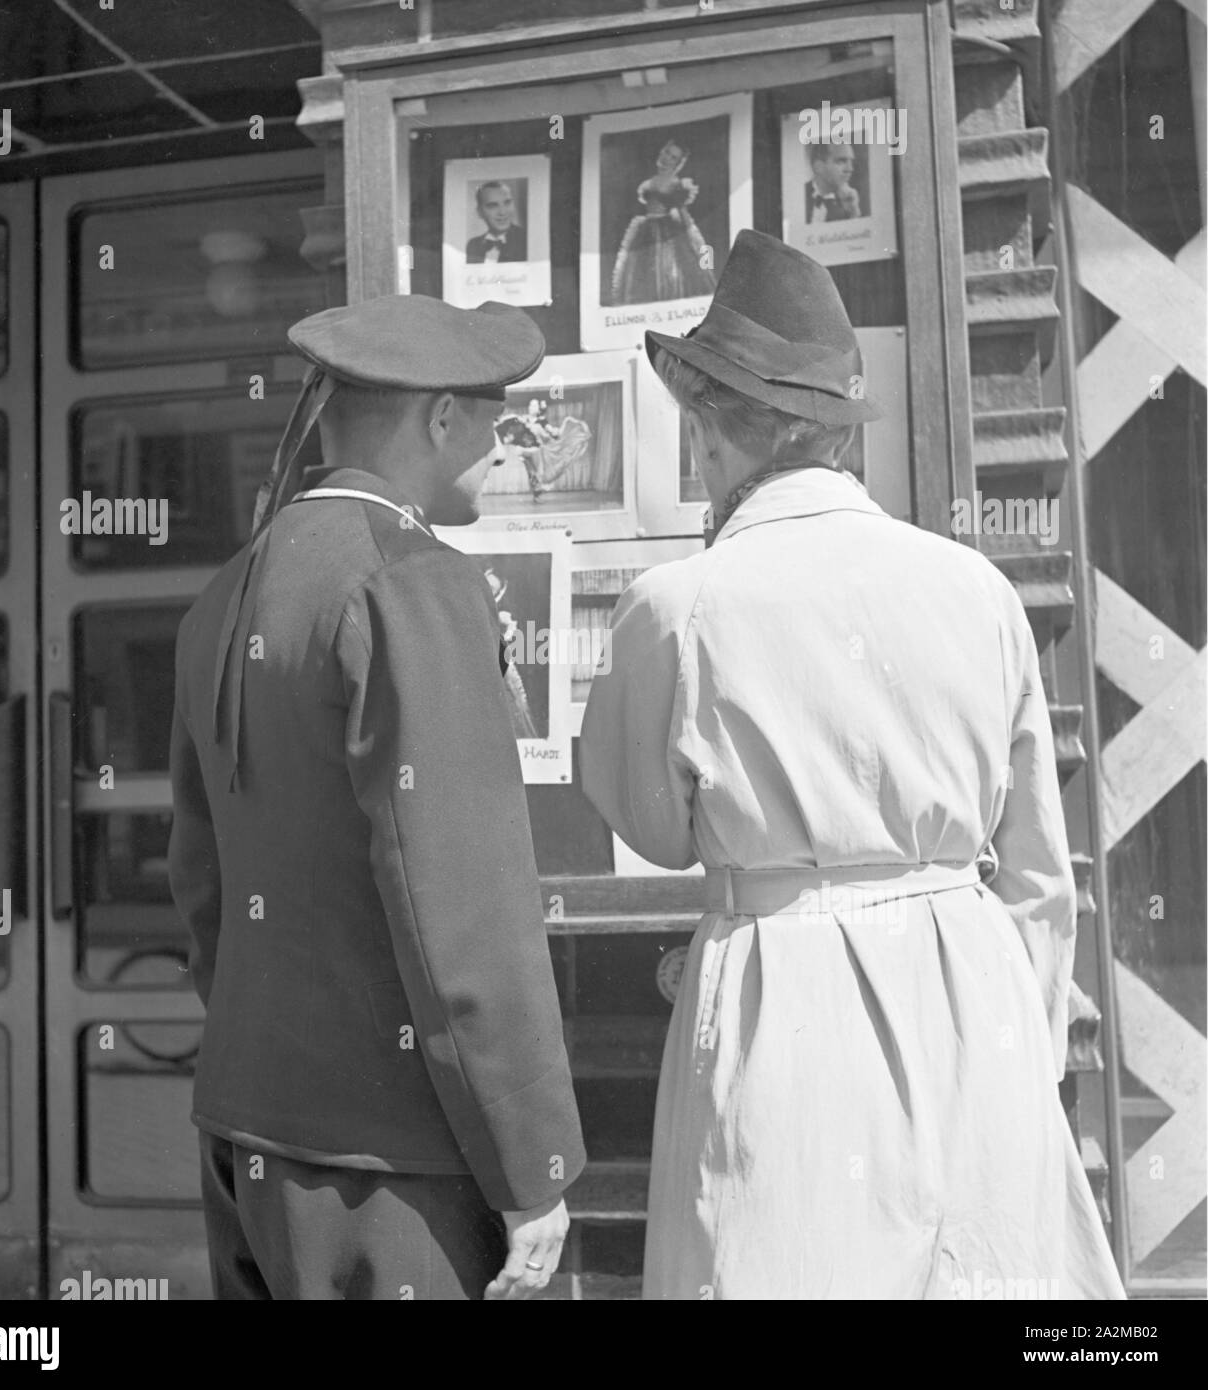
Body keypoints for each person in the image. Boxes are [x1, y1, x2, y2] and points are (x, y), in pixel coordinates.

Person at [578, 229, 1125, 1300]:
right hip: (973, 997)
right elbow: (1037, 873)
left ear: (709, 435)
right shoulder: (974, 588)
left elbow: (647, 821)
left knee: (779, 1259)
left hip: (787, 996)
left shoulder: (681, 608)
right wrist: (1029, 1043)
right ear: (829, 434)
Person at [168, 294, 585, 1300]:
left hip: (249, 1123)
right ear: (440, 418)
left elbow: (203, 884)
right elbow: (464, 907)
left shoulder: (224, 590)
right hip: (389, 1159)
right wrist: (532, 1163)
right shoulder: (411, 583)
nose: (504, 442)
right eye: (495, 417)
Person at [609, 138, 717, 305]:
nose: (667, 158)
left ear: (678, 163)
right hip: (645, 231)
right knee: (639, 274)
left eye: (673, 157)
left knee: (666, 271)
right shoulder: (650, 179)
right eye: (667, 152)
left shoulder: (676, 183)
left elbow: (682, 212)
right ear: (661, 151)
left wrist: (692, 237)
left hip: (666, 231)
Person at [465, 181, 528, 263]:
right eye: (492, 205)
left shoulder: (526, 239)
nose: (502, 212)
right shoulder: (473, 245)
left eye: (507, 203)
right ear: (479, 212)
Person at [804, 140, 862, 222]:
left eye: (851, 162)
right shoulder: (798, 195)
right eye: (841, 161)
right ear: (819, 167)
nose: (850, 169)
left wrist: (853, 213)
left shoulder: (851, 201)